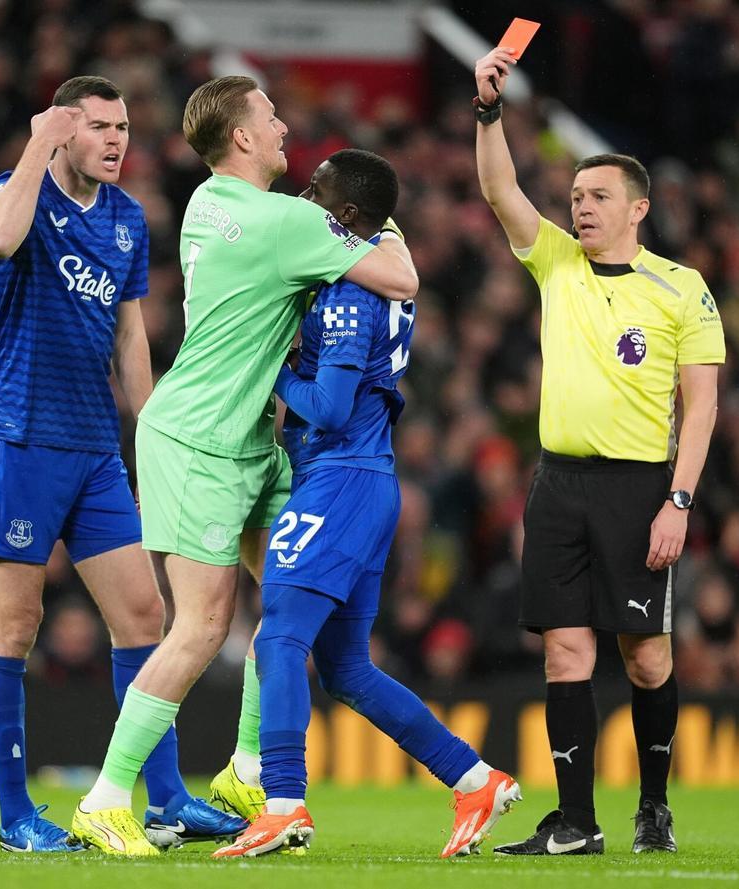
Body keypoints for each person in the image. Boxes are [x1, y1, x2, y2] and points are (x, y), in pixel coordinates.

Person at [71, 76, 419, 856]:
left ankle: (247, 768)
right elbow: (401, 280)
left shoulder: (206, 202)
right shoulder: (285, 220)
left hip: (246, 439)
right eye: (270, 117)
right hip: (201, 442)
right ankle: (102, 798)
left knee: (288, 604)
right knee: (199, 628)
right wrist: (382, 215)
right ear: (242, 138)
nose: (285, 126)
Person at [211, 149, 522, 860]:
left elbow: (328, 403)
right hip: (361, 480)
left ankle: (283, 801)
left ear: (345, 215)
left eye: (316, 189)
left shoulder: (352, 291)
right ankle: (473, 778)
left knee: (280, 633)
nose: (302, 193)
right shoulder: (364, 263)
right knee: (346, 667)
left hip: (342, 477)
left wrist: (276, 371)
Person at [0, 75, 242, 854]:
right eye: (96, 127)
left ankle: (164, 800)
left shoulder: (126, 219)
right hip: (18, 437)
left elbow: (129, 333)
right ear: (63, 132)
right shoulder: (17, 190)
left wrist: (152, 427)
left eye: (122, 126)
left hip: (94, 447)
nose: (117, 140)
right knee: (14, 626)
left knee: (144, 614)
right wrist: (34, 144)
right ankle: (18, 816)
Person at [470, 49, 726, 856]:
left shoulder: (681, 287)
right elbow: (500, 189)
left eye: (598, 196)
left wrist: (678, 500)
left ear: (638, 208)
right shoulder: (556, 263)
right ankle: (575, 820)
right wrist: (488, 113)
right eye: (576, 195)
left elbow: (704, 400)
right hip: (560, 484)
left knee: (647, 656)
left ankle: (654, 802)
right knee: (564, 650)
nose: (581, 208)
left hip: (639, 487)